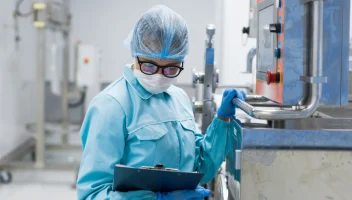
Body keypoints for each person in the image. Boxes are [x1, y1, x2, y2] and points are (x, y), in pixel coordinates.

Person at [76, 5, 246, 200]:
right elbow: (92, 194)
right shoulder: (111, 106)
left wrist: (222, 120)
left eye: (171, 69)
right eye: (149, 66)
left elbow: (202, 168)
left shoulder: (179, 98)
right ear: (136, 53)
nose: (159, 76)